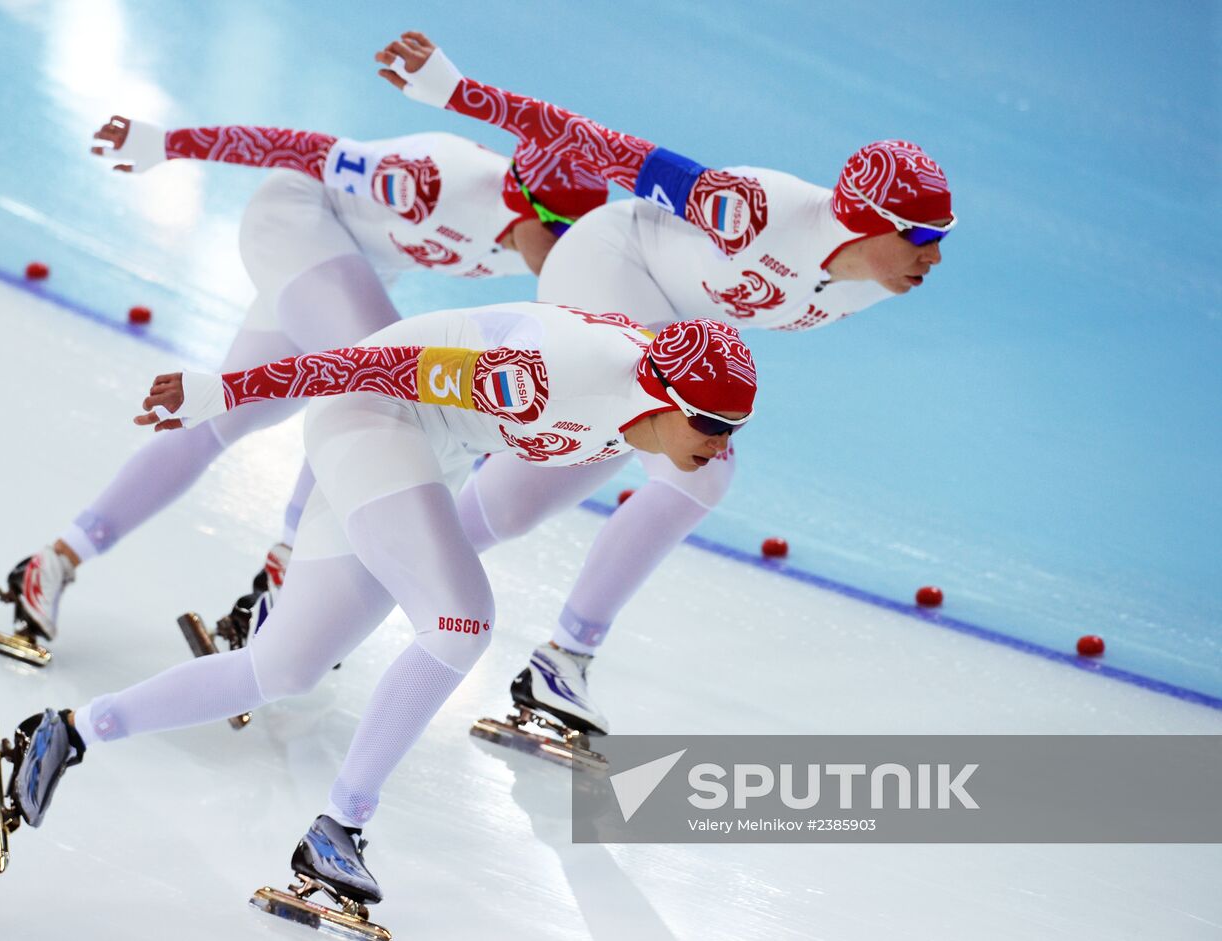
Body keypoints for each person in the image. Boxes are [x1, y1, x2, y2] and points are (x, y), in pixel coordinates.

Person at [0, 301, 757, 920]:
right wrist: (225, 390)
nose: (721, 445)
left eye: (736, 431)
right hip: (371, 415)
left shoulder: (642, 410)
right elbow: (368, 361)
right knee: (460, 620)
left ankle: (67, 731)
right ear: (664, 396)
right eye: (712, 425)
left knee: (282, 667)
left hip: (428, 443)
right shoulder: (552, 375)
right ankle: (340, 827)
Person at [375, 32, 955, 736]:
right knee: (702, 466)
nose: (935, 255)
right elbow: (597, 143)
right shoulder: (756, 211)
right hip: (613, 267)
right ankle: (565, 657)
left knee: (519, 503)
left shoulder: (882, 282)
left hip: (670, 330)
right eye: (923, 234)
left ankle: (346, 584)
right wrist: (459, 94)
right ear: (872, 220)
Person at [0, 114, 606, 648]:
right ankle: (281, 578)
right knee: (381, 384)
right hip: (297, 219)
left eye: (579, 241)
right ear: (526, 202)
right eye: (557, 234)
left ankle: (53, 561)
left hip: (343, 266)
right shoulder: (439, 177)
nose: (562, 255)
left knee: (222, 420)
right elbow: (302, 147)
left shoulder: (559, 239)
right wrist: (169, 143)